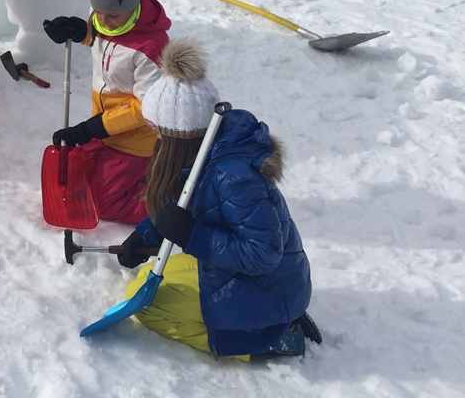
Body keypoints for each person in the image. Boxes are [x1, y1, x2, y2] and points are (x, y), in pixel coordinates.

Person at [114, 39, 317, 359]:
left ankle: (265, 339)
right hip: (252, 279)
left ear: (175, 136)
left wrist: (192, 235)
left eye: (158, 132)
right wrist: (144, 236)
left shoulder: (234, 178)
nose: (156, 139)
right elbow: (182, 200)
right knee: (145, 277)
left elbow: (264, 254)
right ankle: (265, 321)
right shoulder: (205, 151)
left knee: (150, 307)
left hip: (267, 284)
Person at [43, 0, 170, 223]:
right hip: (105, 129)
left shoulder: (151, 47)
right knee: (77, 180)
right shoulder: (106, 18)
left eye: (112, 15)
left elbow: (146, 106)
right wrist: (80, 30)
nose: (105, 21)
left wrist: (92, 129)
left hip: (135, 139)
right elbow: (104, 37)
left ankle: (170, 199)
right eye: (98, 13)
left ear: (133, 7)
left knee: (101, 204)